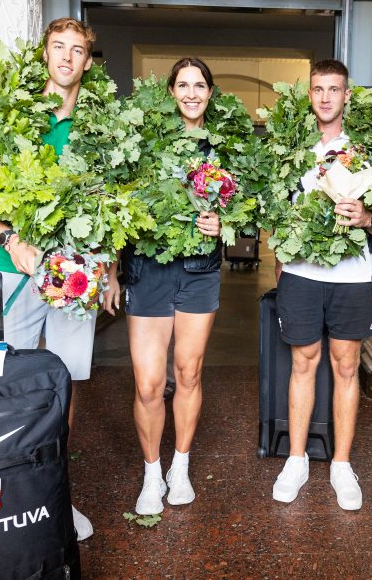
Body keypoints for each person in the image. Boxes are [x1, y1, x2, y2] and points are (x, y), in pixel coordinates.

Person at [0, 17, 98, 542]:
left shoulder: (100, 126)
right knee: (2, 384)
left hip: (74, 276)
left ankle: (53, 494)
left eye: (77, 50)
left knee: (63, 386)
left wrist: (103, 265)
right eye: (57, 48)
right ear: (44, 55)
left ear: (88, 63)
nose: (66, 57)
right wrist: (10, 241)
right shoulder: (12, 117)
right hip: (13, 272)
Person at [270, 59, 372, 511]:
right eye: (318, 89)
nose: (325, 97)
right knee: (303, 363)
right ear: (309, 95)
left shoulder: (366, 149)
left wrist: (366, 217)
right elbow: (274, 210)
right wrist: (280, 255)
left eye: (334, 89)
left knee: (346, 366)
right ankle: (297, 459)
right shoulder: (291, 147)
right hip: (302, 273)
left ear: (347, 96)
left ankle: (342, 464)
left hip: (351, 276)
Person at [103, 57, 223, 516]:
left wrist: (225, 220)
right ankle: (152, 472)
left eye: (199, 85)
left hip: (200, 271)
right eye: (183, 85)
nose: (191, 93)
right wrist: (113, 271)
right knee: (150, 383)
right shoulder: (145, 142)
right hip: (148, 270)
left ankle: (181, 467)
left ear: (210, 93)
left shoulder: (223, 145)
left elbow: (251, 203)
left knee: (189, 373)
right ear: (172, 91)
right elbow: (116, 205)